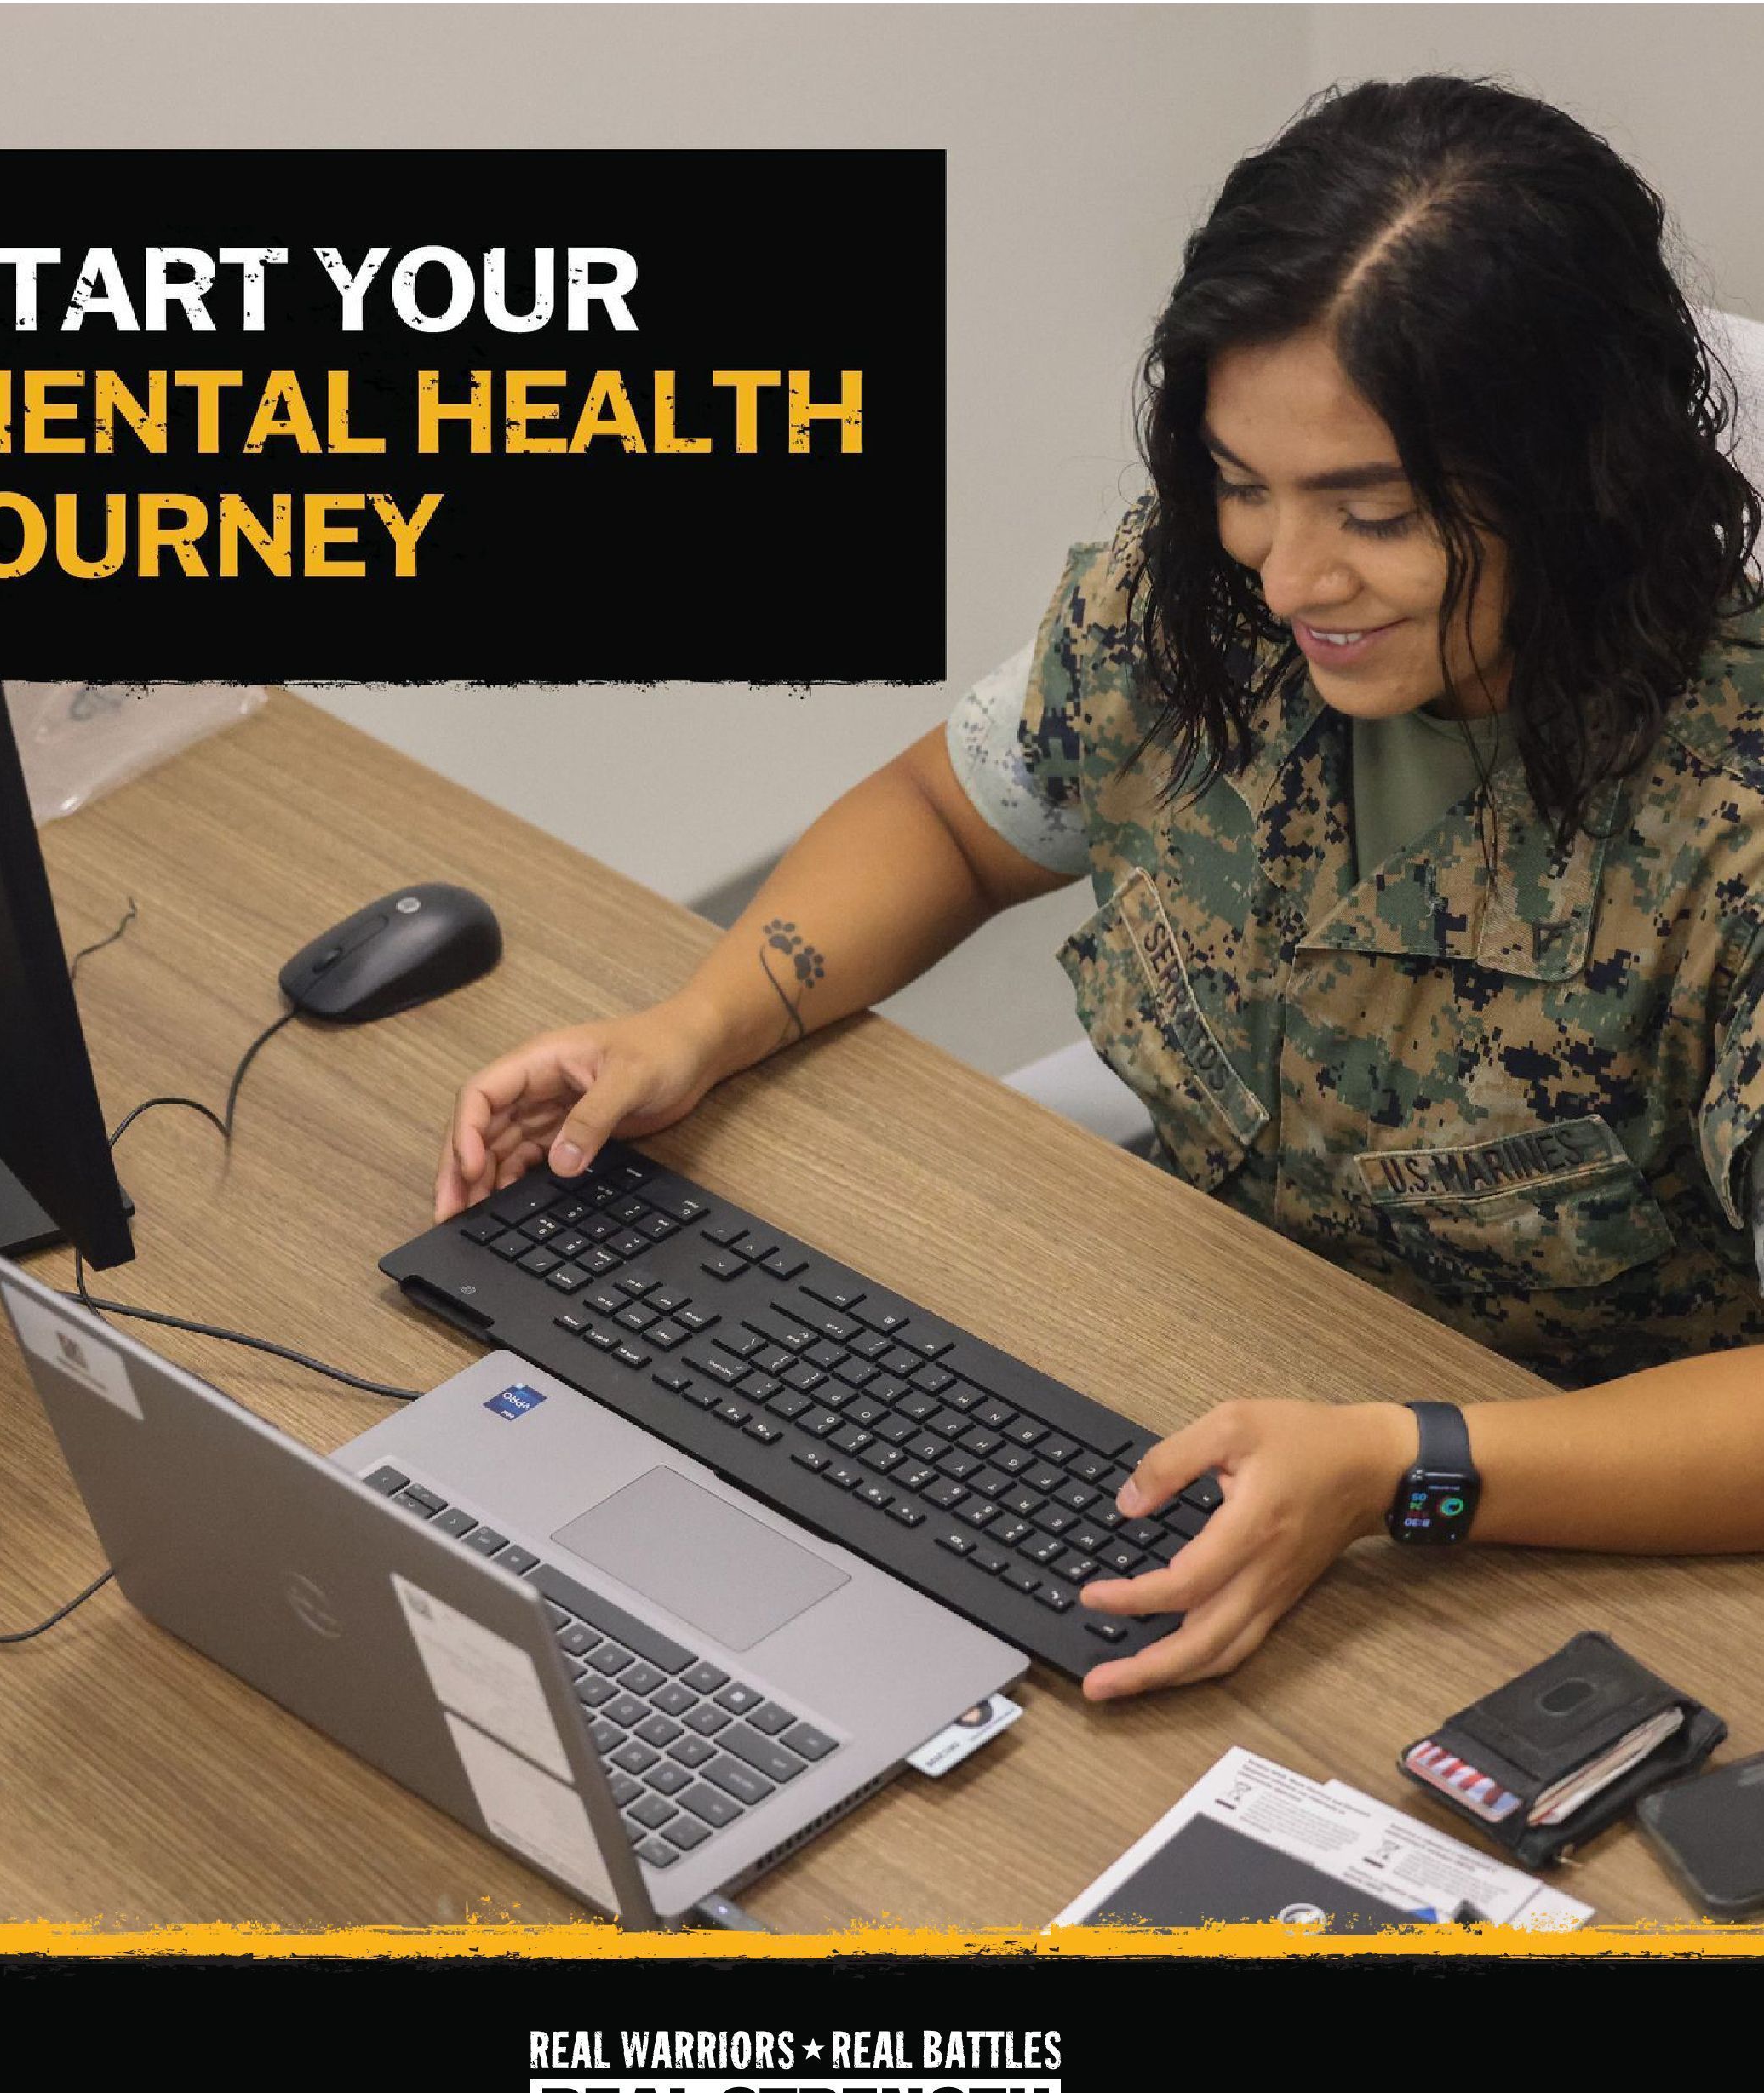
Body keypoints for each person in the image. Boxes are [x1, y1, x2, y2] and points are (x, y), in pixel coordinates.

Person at [432, 77, 1764, 1702]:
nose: (1290, 579)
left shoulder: (1731, 826)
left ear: (1586, 483)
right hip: (1173, 1353)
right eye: (1242, 482)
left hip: (1549, 1515)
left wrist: (1403, 1465)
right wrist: (697, 1024)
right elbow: (948, 815)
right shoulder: (1199, 610)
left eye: (1381, 514)